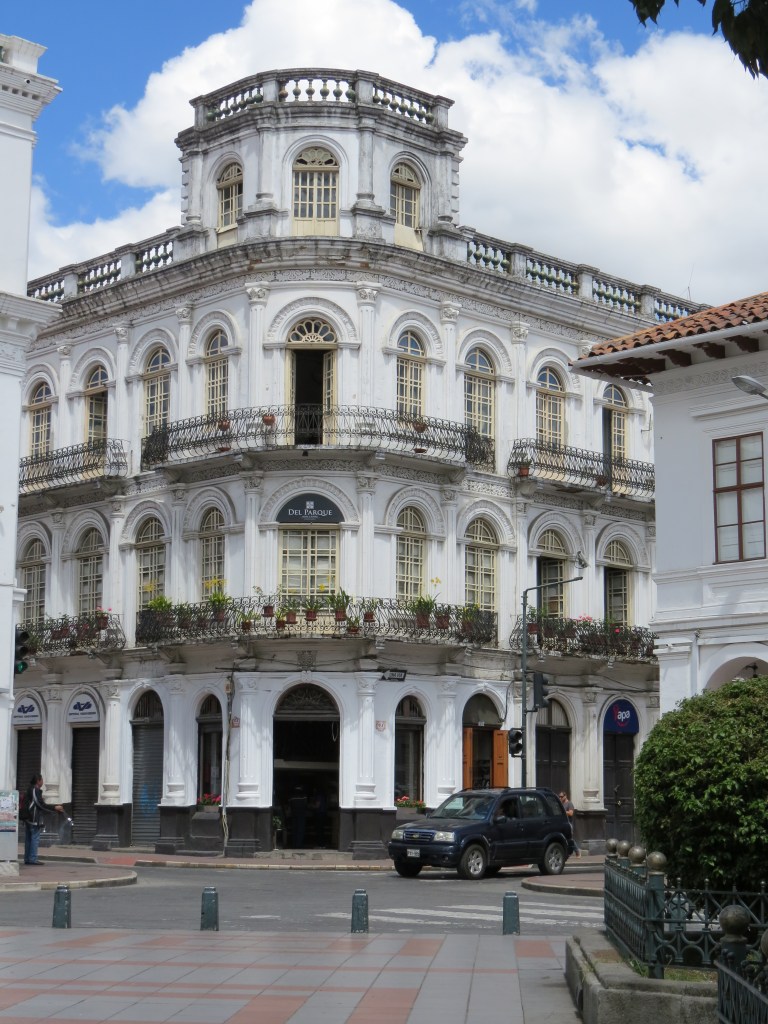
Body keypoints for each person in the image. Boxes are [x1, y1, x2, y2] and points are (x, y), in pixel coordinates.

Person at [23, 773, 64, 866]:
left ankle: (28, 858)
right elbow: (39, 804)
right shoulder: (35, 790)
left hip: (28, 818)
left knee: (29, 838)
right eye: (42, 780)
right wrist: (54, 808)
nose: (43, 782)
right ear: (38, 781)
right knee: (34, 838)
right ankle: (32, 859)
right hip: (33, 818)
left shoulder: (29, 789)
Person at [559, 790, 580, 856]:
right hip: (562, 823)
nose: (560, 798)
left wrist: (563, 812)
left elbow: (571, 813)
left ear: (565, 796)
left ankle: (577, 851)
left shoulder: (569, 803)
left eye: (561, 796)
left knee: (570, 838)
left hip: (569, 824)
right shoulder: (561, 804)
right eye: (559, 796)